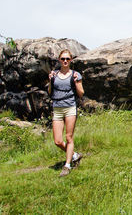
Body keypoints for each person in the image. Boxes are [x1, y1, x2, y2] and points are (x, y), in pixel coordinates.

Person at [48, 49, 84, 177]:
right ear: (59, 60)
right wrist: (50, 80)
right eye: (62, 59)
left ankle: (67, 165)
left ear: (71, 60)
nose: (65, 61)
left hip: (70, 107)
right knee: (57, 141)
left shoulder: (76, 74)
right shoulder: (54, 75)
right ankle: (74, 155)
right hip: (57, 108)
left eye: (67, 59)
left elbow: (81, 93)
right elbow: (50, 92)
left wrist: (76, 82)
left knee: (69, 137)